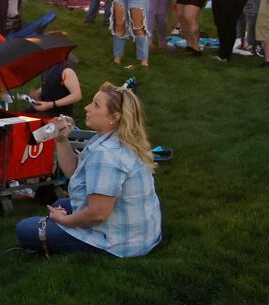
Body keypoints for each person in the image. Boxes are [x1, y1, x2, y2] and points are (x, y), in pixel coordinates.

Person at [15, 82, 161, 257]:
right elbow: (74, 172)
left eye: (96, 105)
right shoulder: (115, 138)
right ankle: (58, 224)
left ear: (114, 117)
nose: (86, 107)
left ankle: (62, 232)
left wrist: (65, 221)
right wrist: (62, 140)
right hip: (142, 234)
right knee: (59, 205)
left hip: (119, 242)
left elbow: (98, 214)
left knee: (24, 230)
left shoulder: (107, 155)